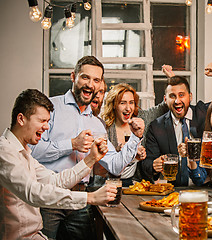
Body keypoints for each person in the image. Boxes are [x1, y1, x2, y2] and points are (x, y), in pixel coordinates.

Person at [30, 56, 145, 239]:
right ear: (73, 76)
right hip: (48, 197)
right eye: (85, 77)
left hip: (80, 201)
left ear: (100, 84)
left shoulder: (97, 125)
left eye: (96, 80)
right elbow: (32, 152)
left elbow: (115, 166)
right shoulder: (51, 108)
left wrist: (135, 138)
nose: (90, 84)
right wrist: (71, 144)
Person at [0, 89, 117, 240]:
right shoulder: (4, 151)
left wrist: (91, 159)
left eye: (48, 121)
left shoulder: (24, 153)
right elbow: (33, 193)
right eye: (42, 121)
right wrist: (90, 198)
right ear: (21, 119)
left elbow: (55, 181)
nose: (47, 127)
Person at [142, 63, 212, 186]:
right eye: (172, 96)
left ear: (190, 97)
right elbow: (146, 163)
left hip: (209, 186)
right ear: (165, 99)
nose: (177, 101)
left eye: (181, 95)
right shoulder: (157, 126)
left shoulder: (204, 113)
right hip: (175, 190)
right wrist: (153, 165)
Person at [101, 83, 147, 187]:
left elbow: (161, 108)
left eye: (131, 103)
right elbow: (100, 168)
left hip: (133, 185)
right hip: (108, 184)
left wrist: (137, 156)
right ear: (113, 105)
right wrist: (117, 151)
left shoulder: (140, 122)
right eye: (122, 103)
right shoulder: (104, 128)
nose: (128, 108)